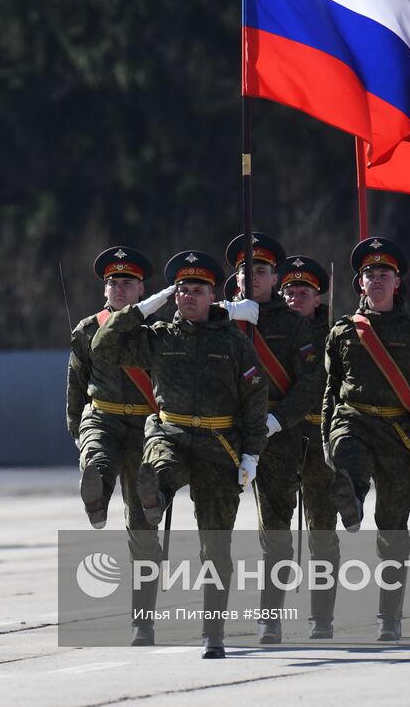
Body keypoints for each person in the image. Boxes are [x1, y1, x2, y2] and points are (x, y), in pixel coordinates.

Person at [93, 250, 268, 659]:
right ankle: (156, 494)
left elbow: (255, 399)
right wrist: (142, 307)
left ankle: (213, 632)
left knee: (216, 544)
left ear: (213, 296)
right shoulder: (159, 337)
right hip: (170, 431)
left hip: (219, 445)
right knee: (158, 465)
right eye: (183, 290)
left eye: (198, 290)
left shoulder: (234, 343)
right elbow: (104, 347)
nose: (190, 296)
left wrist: (252, 454)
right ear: (174, 297)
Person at [321, 237, 410, 641]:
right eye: (370, 274)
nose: (377, 280)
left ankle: (389, 617)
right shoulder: (342, 330)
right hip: (353, 419)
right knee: (348, 459)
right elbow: (330, 389)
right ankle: (351, 501)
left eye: (384, 274)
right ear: (359, 283)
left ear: (397, 283)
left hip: (399, 434)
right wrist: (327, 435)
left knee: (393, 529)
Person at [66, 246, 166, 645]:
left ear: (141, 288)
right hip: (104, 415)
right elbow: (76, 382)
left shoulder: (158, 331)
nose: (119, 289)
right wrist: (77, 429)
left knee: (143, 531)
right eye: (112, 282)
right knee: (97, 455)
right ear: (104, 288)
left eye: (127, 282)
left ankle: (143, 620)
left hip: (145, 424)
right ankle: (96, 495)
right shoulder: (89, 329)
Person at [222, 233, 312, 644]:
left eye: (260, 270)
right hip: (223, 432)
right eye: (244, 269)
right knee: (214, 527)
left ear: (274, 277)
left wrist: (278, 420)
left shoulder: (294, 325)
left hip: (277, 434)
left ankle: (270, 616)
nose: (251, 276)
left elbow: (313, 381)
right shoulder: (218, 316)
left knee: (274, 530)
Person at [277, 254, 340, 638]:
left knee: (321, 534)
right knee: (275, 535)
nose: (295, 297)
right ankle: (271, 617)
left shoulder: (334, 334)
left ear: (318, 299)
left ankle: (321, 618)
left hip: (319, 440)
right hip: (280, 440)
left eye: (304, 292)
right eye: (289, 290)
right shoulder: (269, 332)